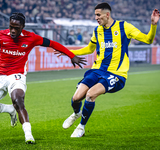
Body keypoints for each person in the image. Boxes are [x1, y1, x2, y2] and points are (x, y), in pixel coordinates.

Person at [0, 12, 86, 144]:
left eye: (16, 28)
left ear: (22, 26)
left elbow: (53, 44)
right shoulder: (1, 35)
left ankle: (28, 135)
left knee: (18, 100)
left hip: (17, 75)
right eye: (11, 26)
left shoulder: (31, 37)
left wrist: (71, 55)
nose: (12, 30)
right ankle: (10, 109)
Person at [55, 2, 160, 137]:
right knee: (76, 98)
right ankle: (76, 113)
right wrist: (68, 52)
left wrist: (153, 24)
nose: (96, 18)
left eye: (98, 15)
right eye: (95, 15)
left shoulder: (124, 27)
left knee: (90, 95)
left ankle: (81, 127)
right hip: (97, 70)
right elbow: (89, 49)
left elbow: (148, 39)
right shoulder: (97, 30)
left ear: (107, 14)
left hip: (116, 73)